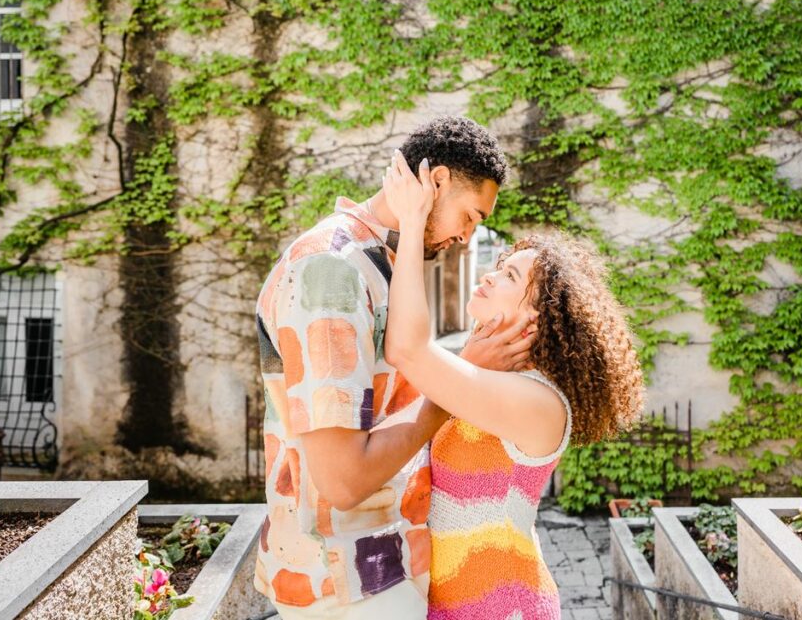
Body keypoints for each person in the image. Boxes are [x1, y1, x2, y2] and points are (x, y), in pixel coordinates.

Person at [253, 116, 537, 619]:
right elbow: (342, 480)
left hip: (387, 561)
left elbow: (390, 403)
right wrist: (456, 388)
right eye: (470, 217)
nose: (468, 239)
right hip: (345, 581)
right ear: (437, 181)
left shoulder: (385, 263)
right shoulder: (332, 271)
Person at [381, 150, 645, 619]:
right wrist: (469, 361)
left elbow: (407, 349)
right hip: (448, 607)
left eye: (509, 276)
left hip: (506, 608)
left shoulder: (538, 400)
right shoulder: (488, 377)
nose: (488, 274)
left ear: (537, 316)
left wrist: (412, 218)